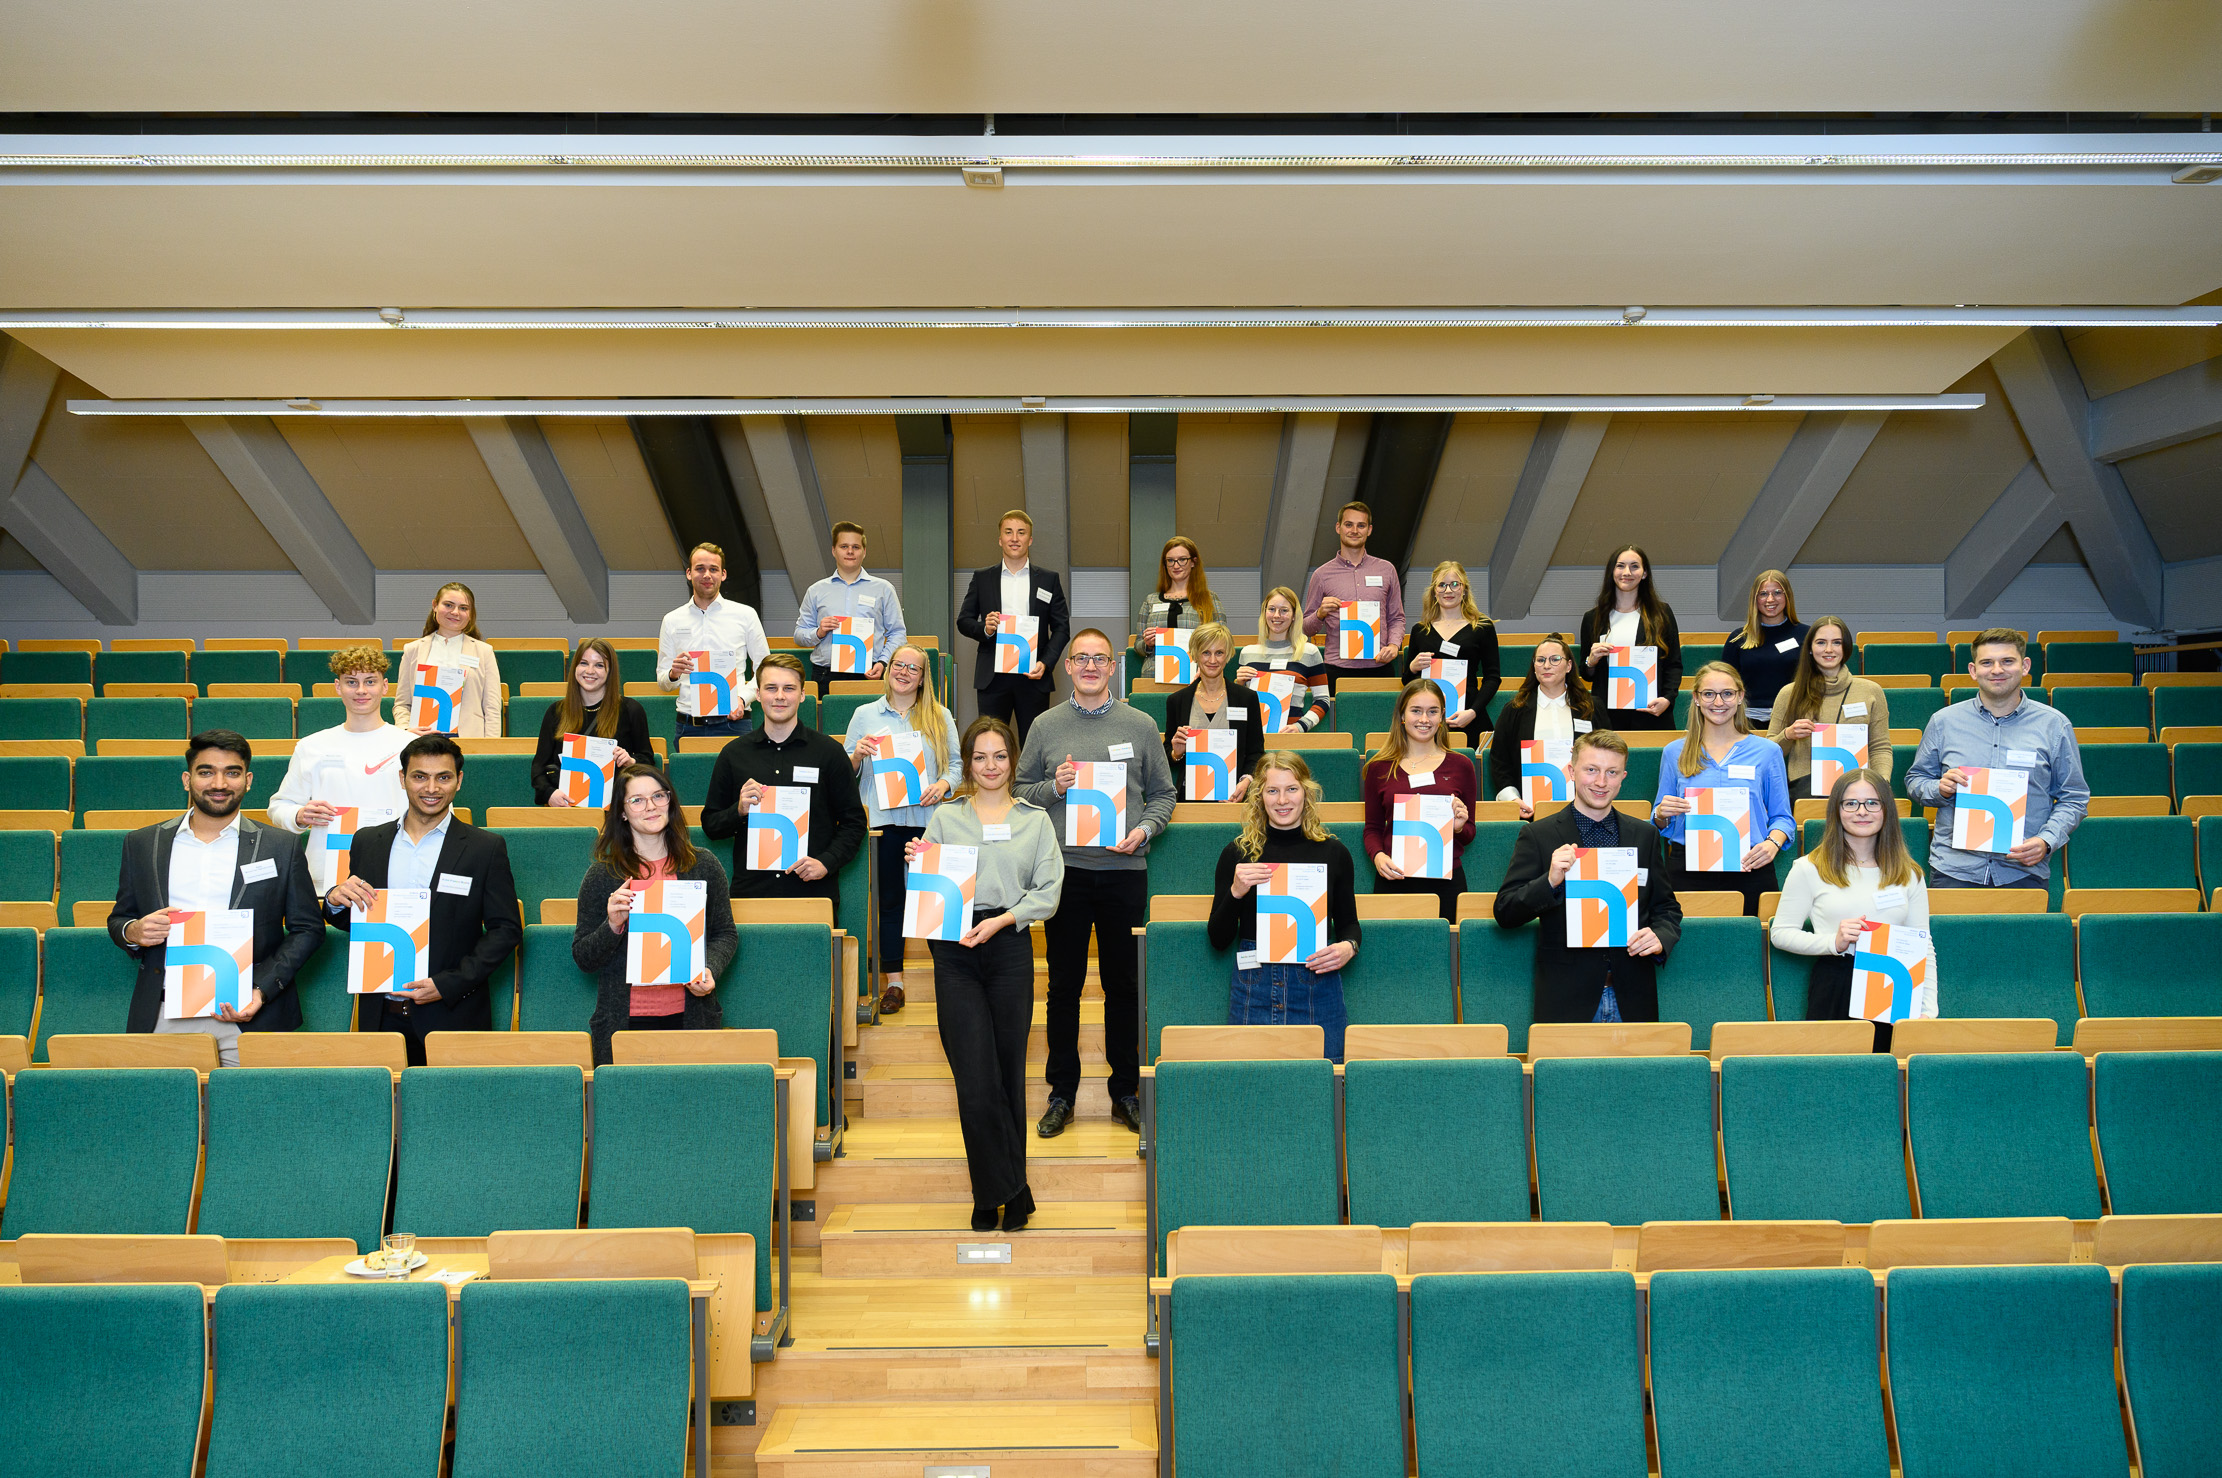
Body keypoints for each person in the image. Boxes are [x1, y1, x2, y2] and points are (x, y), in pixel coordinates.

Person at [1014, 629, 1179, 1138]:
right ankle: (1061, 1093)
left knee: (1123, 988)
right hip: (1062, 875)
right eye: (1080, 658)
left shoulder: (1142, 724)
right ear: (1067, 667)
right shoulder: (1044, 725)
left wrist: (1143, 830)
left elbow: (1164, 795)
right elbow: (1019, 791)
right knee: (1062, 988)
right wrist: (1053, 787)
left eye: (1099, 658)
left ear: (1113, 667)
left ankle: (1125, 1092)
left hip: (1123, 874)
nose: (1089, 665)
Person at [904, 717, 1064, 1233]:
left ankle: (1000, 1193)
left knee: (1007, 1075)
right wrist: (916, 863)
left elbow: (1048, 890)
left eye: (999, 756)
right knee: (975, 1081)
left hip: (1010, 944)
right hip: (953, 949)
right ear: (967, 763)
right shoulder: (946, 820)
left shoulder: (1035, 819)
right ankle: (1005, 1187)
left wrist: (1002, 920)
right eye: (980, 757)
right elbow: (928, 887)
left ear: (1012, 760)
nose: (990, 766)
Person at [108, 730, 324, 1065]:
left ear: (248, 780)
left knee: (253, 1115)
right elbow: (120, 919)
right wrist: (133, 932)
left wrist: (262, 990)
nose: (219, 783)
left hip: (252, 1014)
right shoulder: (142, 843)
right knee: (168, 1113)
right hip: (166, 1010)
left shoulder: (281, 846)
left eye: (232, 772)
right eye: (206, 771)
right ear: (187, 779)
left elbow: (308, 929)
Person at [322, 735, 524, 1065]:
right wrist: (333, 901)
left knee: (449, 1113)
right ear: (402, 779)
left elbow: (506, 931)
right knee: (383, 1113)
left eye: (443, 777)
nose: (431, 788)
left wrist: (447, 985)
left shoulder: (485, 848)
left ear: (458, 781)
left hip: (452, 1014)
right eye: (420, 776)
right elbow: (358, 920)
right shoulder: (368, 841)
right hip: (380, 1016)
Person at [1494, 730, 1684, 1024]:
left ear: (1623, 776)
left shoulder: (1644, 835)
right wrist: (1550, 880)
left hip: (1633, 995)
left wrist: (1660, 936)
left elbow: (1667, 909)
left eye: (1611, 772)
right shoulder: (1538, 835)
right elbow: (1505, 912)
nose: (1600, 782)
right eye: (1591, 770)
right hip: (1566, 997)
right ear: (1571, 771)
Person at [572, 764, 738, 1066]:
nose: (650, 806)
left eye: (658, 796)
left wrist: (710, 969)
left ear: (670, 802)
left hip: (691, 1017)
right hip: (623, 1024)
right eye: (637, 800)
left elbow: (725, 933)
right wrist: (613, 925)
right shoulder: (602, 876)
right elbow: (583, 957)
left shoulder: (703, 865)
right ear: (621, 812)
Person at [1904, 628, 2088, 890]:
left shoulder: (2054, 725)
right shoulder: (1944, 721)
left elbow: (2074, 797)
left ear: (2025, 666)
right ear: (1973, 670)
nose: (1997, 670)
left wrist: (2047, 841)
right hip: (1955, 869)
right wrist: (1939, 789)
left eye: (2007, 661)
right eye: (1987, 662)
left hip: (2023, 870)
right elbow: (1915, 780)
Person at [1208, 753, 1361, 1060]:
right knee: (1252, 1082)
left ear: (1306, 792)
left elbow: (1348, 923)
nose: (1282, 800)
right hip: (1255, 982)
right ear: (1259, 796)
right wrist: (1236, 892)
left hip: (1316, 978)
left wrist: (1349, 946)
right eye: (1272, 790)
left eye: (1291, 789)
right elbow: (1218, 939)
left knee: (1329, 1076)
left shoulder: (1335, 852)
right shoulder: (1237, 853)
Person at [1771, 766, 1936, 1050]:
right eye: (1851, 803)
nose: (1862, 811)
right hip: (1836, 982)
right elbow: (1780, 933)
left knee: (1885, 1078)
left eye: (1873, 802)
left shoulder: (1910, 873)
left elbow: (1924, 945)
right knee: (1834, 1079)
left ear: (1886, 810)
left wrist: (1928, 1009)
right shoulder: (1808, 868)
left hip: (1894, 986)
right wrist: (1832, 942)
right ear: (1837, 810)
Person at [700, 652, 869, 912]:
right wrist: (739, 810)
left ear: (802, 695)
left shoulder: (830, 753)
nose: (780, 696)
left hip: (813, 893)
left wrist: (826, 862)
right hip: (751, 893)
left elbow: (854, 823)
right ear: (758, 695)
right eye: (771, 688)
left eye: (789, 688)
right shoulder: (734, 754)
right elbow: (711, 824)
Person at [847, 643, 961, 1014]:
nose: (904, 672)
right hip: (882, 824)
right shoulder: (864, 714)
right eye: (899, 664)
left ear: (923, 677)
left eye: (913, 668)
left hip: (927, 825)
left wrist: (943, 786)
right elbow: (844, 774)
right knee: (891, 903)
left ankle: (951, 981)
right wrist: (858, 755)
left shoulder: (940, 716)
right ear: (887, 668)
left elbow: (957, 768)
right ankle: (894, 984)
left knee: (932, 904)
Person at [1650, 662, 1795, 917]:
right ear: (1696, 698)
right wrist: (1661, 814)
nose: (1718, 702)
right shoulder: (1674, 752)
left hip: (1751, 866)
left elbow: (1783, 817)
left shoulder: (1767, 751)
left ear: (1739, 697)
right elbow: (1661, 820)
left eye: (1727, 693)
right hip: (1688, 869)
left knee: (1748, 949)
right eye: (1709, 694)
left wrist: (1773, 843)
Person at [267, 643, 412, 885]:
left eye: (370, 681)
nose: (361, 690)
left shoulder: (411, 745)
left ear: (385, 686)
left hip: (397, 869)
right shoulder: (312, 745)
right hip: (327, 873)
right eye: (351, 682)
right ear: (338, 687)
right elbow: (279, 807)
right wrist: (300, 815)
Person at [1362, 680, 1479, 921]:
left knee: (1446, 955)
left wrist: (1458, 827)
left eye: (1432, 711)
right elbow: (1372, 828)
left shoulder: (1462, 766)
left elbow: (1469, 833)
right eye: (1416, 710)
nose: (1424, 719)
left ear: (1442, 716)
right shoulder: (1378, 767)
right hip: (1394, 878)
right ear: (1402, 715)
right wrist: (1378, 856)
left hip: (1446, 883)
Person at [957, 509, 1070, 745]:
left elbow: (1061, 628)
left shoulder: (1049, 579)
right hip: (993, 676)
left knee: (1035, 745)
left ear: (1030, 539)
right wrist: (985, 629)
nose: (1014, 538)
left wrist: (1046, 663)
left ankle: (1030, 785)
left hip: (1033, 674)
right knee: (991, 742)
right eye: (1008, 532)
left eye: (1021, 532)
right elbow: (964, 621)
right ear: (1000, 539)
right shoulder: (982, 578)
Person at [1766, 618, 1896, 790]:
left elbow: (1880, 748)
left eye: (1837, 643)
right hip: (1805, 789)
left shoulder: (1871, 691)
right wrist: (1788, 735)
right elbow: (1769, 753)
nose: (1829, 649)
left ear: (1846, 647)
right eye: (1821, 643)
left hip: (1859, 789)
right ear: (1810, 649)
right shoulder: (1789, 693)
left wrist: (1881, 785)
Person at [658, 541, 769, 741]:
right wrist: (673, 674)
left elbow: (765, 668)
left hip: (734, 722)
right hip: (687, 725)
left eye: (713, 569)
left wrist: (743, 699)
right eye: (700, 568)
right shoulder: (672, 620)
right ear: (689, 573)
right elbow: (663, 682)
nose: (707, 575)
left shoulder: (745, 615)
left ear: (723, 574)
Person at [532, 638, 650, 806]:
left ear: (610, 671)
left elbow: (648, 761)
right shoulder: (556, 711)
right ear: (574, 668)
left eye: (599, 665)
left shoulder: (631, 710)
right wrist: (549, 794)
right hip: (565, 808)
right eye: (584, 663)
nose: (590, 671)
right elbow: (539, 767)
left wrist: (631, 762)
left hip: (616, 810)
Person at [1301, 501, 1407, 687]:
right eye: (1348, 524)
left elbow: (1397, 618)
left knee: (1384, 717)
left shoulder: (1387, 569)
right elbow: (1305, 628)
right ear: (1338, 527)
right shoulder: (1321, 575)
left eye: (1361, 525)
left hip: (1380, 665)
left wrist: (1393, 645)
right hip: (1336, 669)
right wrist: (1320, 613)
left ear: (1370, 530)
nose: (1354, 530)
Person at [1487, 635, 1595, 816]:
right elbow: (1500, 760)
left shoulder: (1592, 707)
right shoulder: (1514, 710)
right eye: (1541, 660)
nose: (1546, 665)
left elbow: (1607, 754)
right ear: (1534, 666)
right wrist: (1513, 800)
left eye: (1555, 659)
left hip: (1585, 808)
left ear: (1569, 666)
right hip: (1532, 810)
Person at [1401, 560, 1502, 752]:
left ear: (1464, 590)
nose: (1449, 590)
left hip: (1469, 714)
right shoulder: (1420, 630)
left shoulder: (1482, 627)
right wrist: (1413, 667)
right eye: (1442, 584)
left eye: (1455, 584)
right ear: (1434, 591)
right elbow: (1407, 681)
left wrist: (1472, 713)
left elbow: (1493, 678)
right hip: (1428, 717)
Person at [1578, 545, 1683, 731]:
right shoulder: (1592, 618)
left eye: (1634, 566)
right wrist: (1591, 661)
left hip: (1650, 711)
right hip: (1608, 715)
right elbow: (1586, 674)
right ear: (1612, 571)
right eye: (1620, 566)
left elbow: (1673, 664)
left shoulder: (1662, 614)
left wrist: (1667, 699)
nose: (1627, 572)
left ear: (1644, 574)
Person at [796, 521, 906, 696]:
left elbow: (898, 633)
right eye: (844, 546)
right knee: (828, 723)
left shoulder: (884, 589)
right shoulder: (816, 590)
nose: (850, 551)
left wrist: (883, 663)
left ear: (864, 552)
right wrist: (818, 632)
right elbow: (799, 635)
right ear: (834, 550)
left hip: (870, 673)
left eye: (856, 547)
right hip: (825, 674)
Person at [1163, 623, 1264, 804]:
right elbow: (1169, 753)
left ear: (1228, 656)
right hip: (1189, 797)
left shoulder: (1246, 698)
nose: (1212, 660)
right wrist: (1176, 753)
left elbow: (1256, 752)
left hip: (1235, 796)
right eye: (1205, 653)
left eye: (1219, 653)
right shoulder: (1177, 701)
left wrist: (1246, 781)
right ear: (1195, 655)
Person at [396, 581, 503, 737]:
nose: (455, 612)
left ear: (471, 613)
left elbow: (492, 707)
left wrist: (489, 746)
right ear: (435, 605)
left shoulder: (484, 652)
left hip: (468, 740)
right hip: (422, 740)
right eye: (448, 605)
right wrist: (406, 731)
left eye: (463, 608)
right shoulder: (412, 650)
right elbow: (402, 704)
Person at [1235, 587, 1330, 732]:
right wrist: (1239, 684)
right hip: (1254, 736)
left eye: (1284, 610)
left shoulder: (1309, 652)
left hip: (1290, 739)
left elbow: (1323, 700)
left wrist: (1300, 727)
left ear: (1293, 616)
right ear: (1264, 613)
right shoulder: (1247, 653)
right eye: (1271, 609)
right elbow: (1239, 704)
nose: (1277, 615)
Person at [1720, 570, 1807, 726]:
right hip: (1745, 722)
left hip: (1793, 719)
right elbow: (1724, 684)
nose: (1770, 599)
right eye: (1763, 594)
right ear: (1755, 599)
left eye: (1777, 593)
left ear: (1787, 596)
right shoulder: (1738, 638)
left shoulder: (1806, 635)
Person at [1132, 536, 1217, 668]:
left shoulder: (1210, 599)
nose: (1176, 566)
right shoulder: (1150, 601)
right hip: (1153, 676)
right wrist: (1147, 644)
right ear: (1165, 564)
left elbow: (1222, 642)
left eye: (1182, 560)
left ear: (1193, 562)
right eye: (1170, 561)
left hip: (1195, 674)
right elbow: (1138, 646)